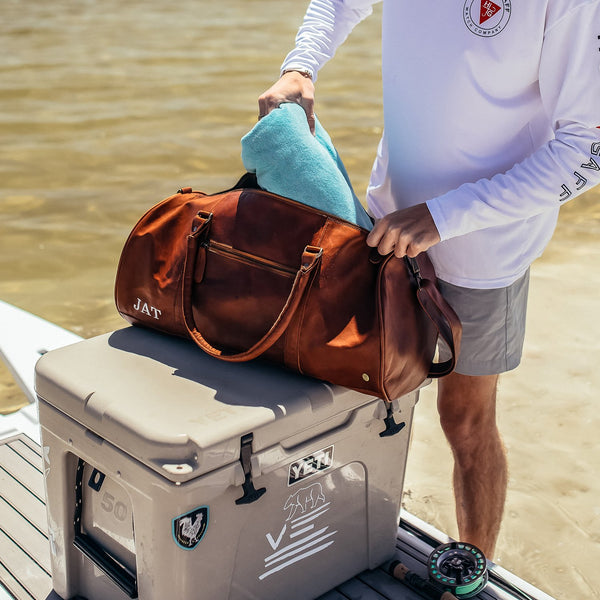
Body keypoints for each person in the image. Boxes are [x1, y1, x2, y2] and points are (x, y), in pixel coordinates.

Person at [258, 0, 600, 557]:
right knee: (357, 391)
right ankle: (352, 536)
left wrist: (445, 215)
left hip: (486, 249)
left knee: (464, 420)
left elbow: (588, 145)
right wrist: (302, 64)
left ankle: (472, 569)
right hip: (386, 220)